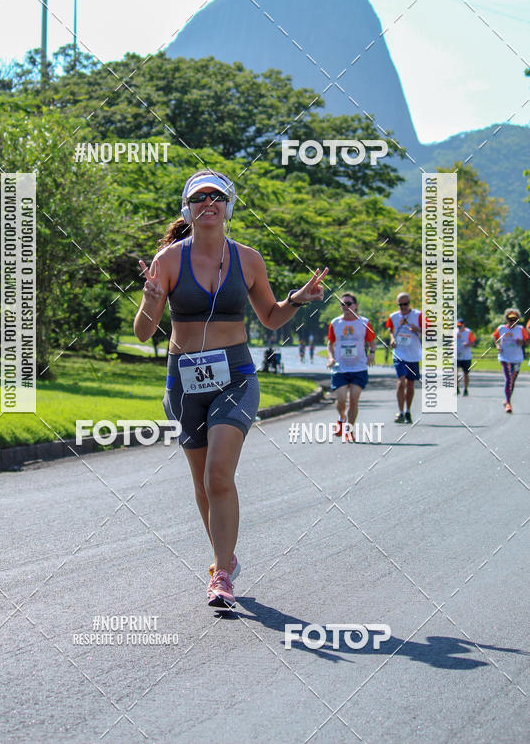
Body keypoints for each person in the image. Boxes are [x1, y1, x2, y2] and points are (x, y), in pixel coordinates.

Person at [134, 170, 328, 608]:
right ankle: (224, 555)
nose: (209, 203)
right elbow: (144, 333)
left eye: (217, 196)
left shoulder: (249, 259)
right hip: (184, 380)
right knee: (203, 482)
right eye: (199, 197)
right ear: (188, 208)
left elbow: (271, 318)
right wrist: (150, 298)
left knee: (219, 472)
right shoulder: (167, 260)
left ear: (228, 206)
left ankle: (221, 575)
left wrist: (296, 299)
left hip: (236, 376)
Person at [326, 292, 375, 443]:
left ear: (356, 305)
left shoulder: (364, 322)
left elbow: (372, 342)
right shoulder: (335, 323)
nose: (345, 307)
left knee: (354, 400)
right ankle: (341, 418)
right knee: (341, 400)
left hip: (358, 368)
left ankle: (350, 430)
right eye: (343, 304)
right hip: (340, 368)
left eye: (349, 304)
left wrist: (372, 353)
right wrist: (331, 357)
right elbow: (330, 343)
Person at [386, 292, 423, 424]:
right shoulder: (393, 316)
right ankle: (400, 412)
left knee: (410, 383)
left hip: (413, 354)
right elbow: (390, 328)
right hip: (399, 353)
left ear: (409, 303)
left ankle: (408, 411)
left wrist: (418, 329)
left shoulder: (418, 315)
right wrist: (392, 339)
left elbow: (430, 331)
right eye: (400, 305)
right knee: (401, 382)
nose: (403, 307)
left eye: (405, 304)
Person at [492, 308, 529, 413]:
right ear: (507, 319)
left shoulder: (521, 329)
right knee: (508, 379)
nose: (512, 321)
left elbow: (527, 342)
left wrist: (521, 342)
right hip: (505, 357)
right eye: (510, 319)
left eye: (515, 319)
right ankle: (508, 403)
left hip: (517, 358)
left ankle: (507, 398)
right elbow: (495, 337)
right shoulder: (501, 329)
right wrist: (498, 346)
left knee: (513, 380)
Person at [456, 318, 476, 396]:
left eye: (460, 326)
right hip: (456, 356)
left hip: (466, 356)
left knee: (465, 374)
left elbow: (473, 343)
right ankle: (456, 388)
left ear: (464, 325)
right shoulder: (454, 332)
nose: (459, 327)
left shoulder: (468, 332)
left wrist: (467, 344)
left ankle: (465, 389)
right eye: (457, 326)